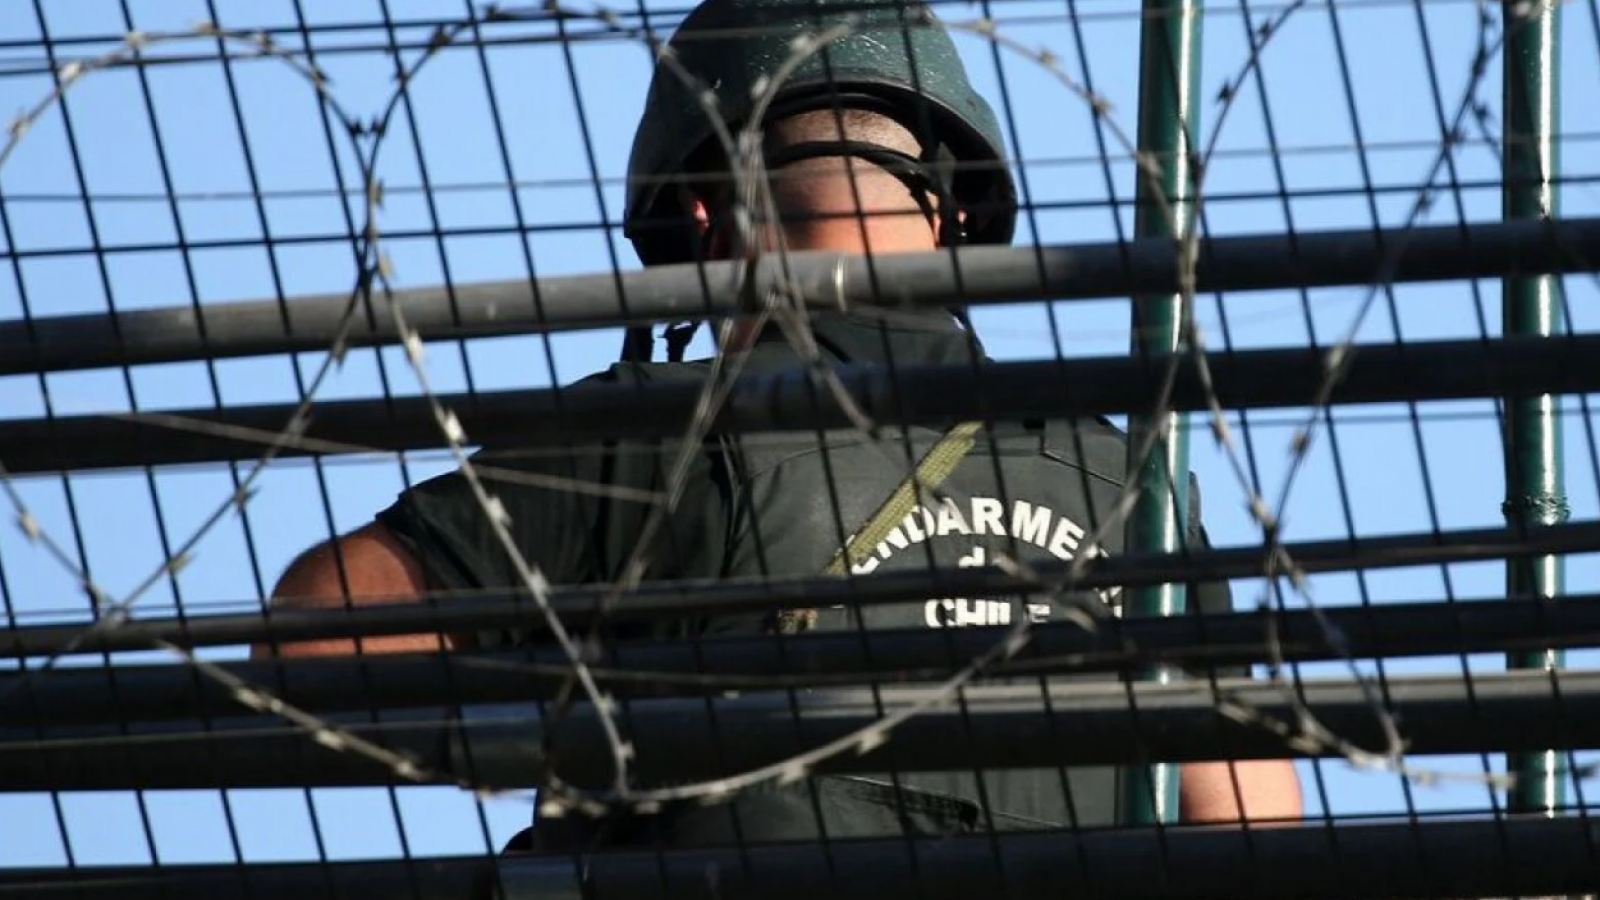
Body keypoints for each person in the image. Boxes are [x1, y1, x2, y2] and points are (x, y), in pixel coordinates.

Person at [258, 0, 1301, 859]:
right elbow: (1250, 820)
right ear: (951, 212)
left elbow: (315, 638)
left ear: (700, 217)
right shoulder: (1129, 480)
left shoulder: (662, 429)